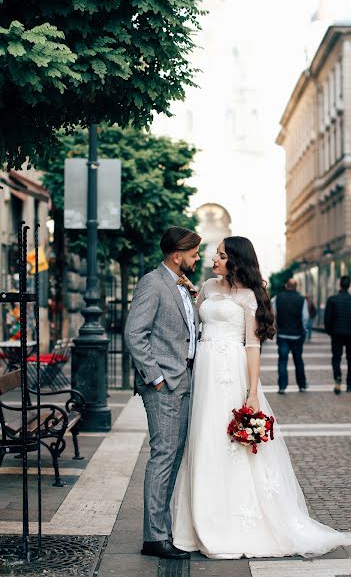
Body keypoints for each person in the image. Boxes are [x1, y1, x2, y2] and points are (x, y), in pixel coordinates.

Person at [172, 236, 344, 558]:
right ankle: (198, 520)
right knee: (203, 440)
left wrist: (251, 392)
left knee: (230, 443)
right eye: (215, 255)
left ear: (235, 260)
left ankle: (232, 522)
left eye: (221, 256)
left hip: (232, 373)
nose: (214, 260)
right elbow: (194, 324)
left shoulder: (249, 296)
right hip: (205, 374)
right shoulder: (208, 287)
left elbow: (253, 346)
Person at [125, 226, 201, 560]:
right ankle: (154, 538)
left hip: (183, 381)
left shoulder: (181, 285)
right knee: (163, 456)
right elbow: (134, 333)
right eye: (194, 253)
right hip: (165, 385)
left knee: (173, 454)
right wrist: (156, 378)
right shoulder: (152, 283)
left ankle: (162, 530)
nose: (197, 258)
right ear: (177, 255)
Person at [324, 275, 351, 395]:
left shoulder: (332, 299)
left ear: (340, 284)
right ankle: (350, 384)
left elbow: (327, 319)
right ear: (349, 285)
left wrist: (330, 332)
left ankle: (338, 377)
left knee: (336, 357)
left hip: (337, 333)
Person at [272, 279, 309, 394]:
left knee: (282, 361)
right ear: (296, 287)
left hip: (282, 335)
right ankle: (302, 385)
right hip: (297, 335)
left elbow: (273, 314)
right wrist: (303, 329)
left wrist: (276, 326)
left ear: (286, 286)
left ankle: (282, 386)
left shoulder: (277, 298)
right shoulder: (302, 299)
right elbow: (305, 317)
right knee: (298, 360)